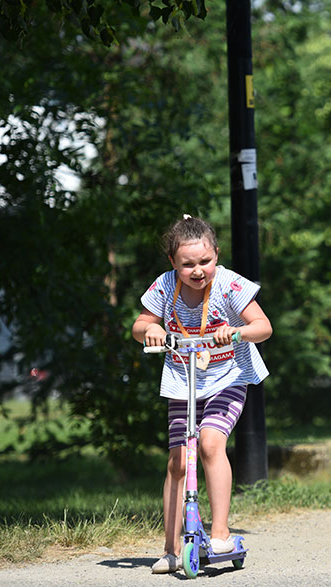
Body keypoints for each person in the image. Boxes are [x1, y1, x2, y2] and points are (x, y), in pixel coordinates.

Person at [131, 215, 273, 575]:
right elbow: (139, 324)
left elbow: (263, 327)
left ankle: (221, 532)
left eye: (205, 262)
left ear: (217, 256)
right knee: (178, 461)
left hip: (228, 376)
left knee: (210, 443)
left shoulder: (228, 284)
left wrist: (235, 332)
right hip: (184, 379)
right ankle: (171, 548)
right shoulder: (165, 287)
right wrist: (152, 330)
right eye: (187, 264)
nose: (198, 271)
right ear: (173, 264)